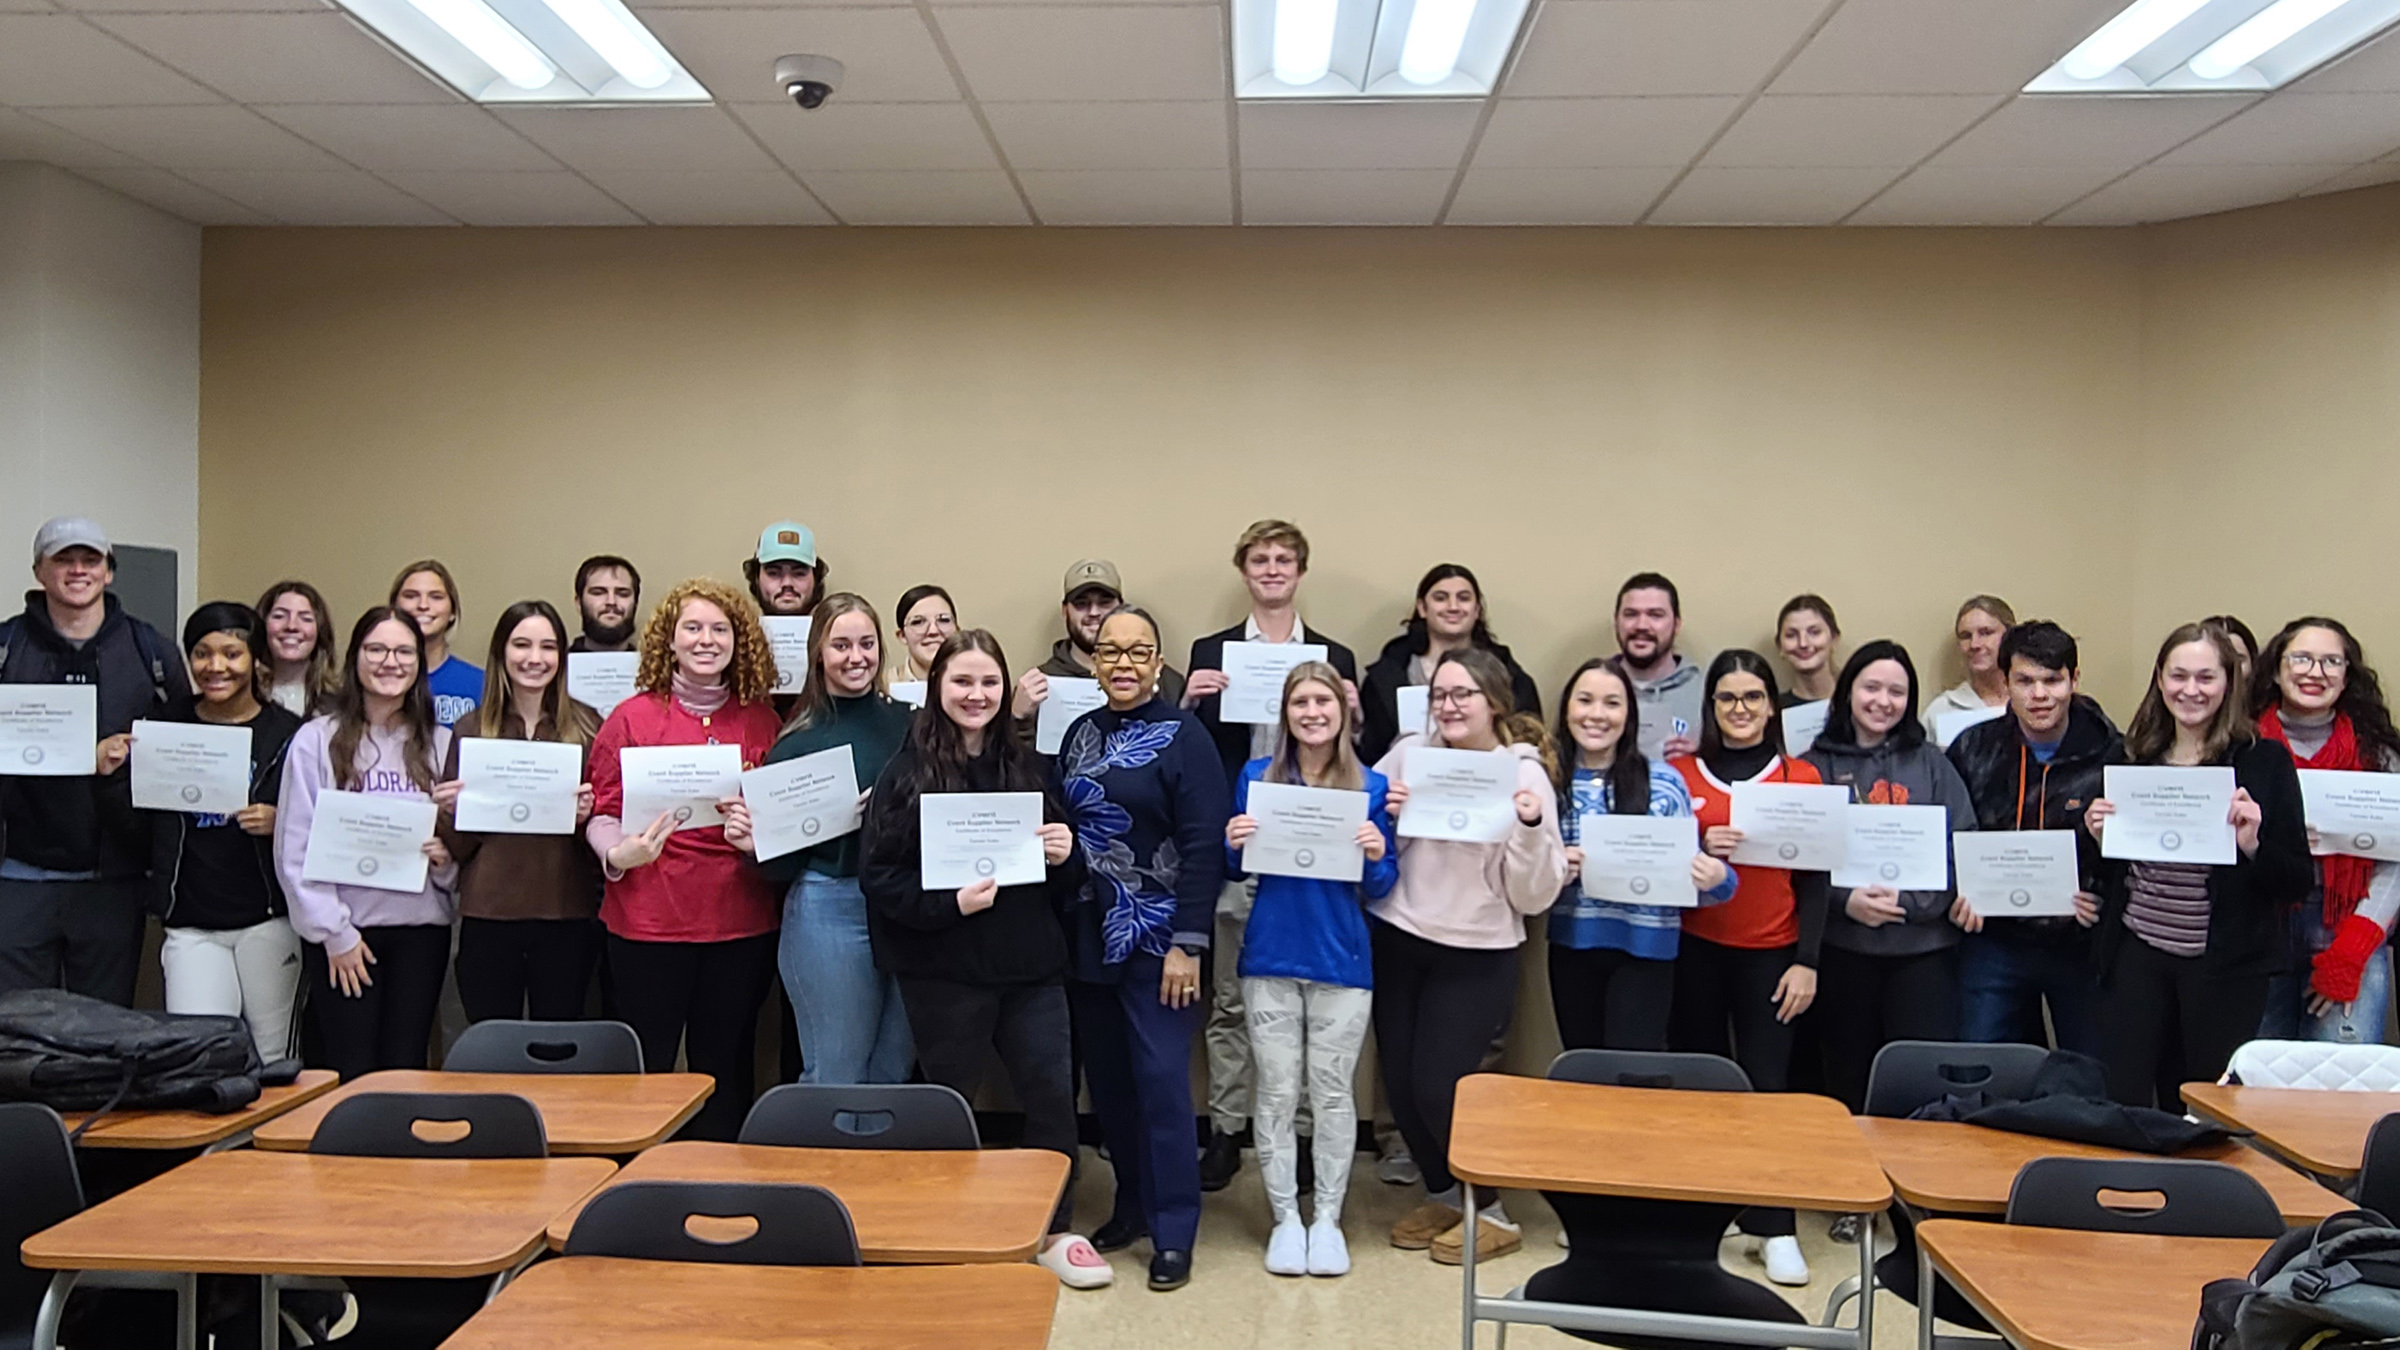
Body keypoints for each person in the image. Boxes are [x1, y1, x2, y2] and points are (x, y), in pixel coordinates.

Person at [857, 629, 1108, 1289]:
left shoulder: (1029, 767)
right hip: (944, 973)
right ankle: (949, 1227)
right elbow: (879, 880)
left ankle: (1052, 1228)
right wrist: (949, 906)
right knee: (949, 1107)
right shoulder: (905, 772)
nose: (976, 694)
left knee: (1052, 1100)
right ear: (938, 687)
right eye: (962, 681)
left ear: (1006, 690)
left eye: (989, 682)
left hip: (1031, 971)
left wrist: (1065, 854)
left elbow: (1066, 877)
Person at [1371, 648, 1565, 1267]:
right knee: (1400, 1087)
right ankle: (1445, 1196)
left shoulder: (1523, 775)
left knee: (1439, 1087)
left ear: (1494, 704)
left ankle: (1494, 1211)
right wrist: (1386, 812)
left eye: (1463, 695)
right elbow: (1362, 821)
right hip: (1399, 935)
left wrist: (1529, 828)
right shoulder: (1409, 754)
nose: (1449, 707)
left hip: (1477, 948)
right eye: (1440, 695)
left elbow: (1535, 895)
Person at [1182, 520, 1359, 1192]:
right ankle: (1227, 1130)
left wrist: (1353, 710)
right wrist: (1191, 702)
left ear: (1301, 572)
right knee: (1230, 1000)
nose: (1273, 569)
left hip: (1316, 856)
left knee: (1311, 1002)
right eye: (1261, 559)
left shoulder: (1333, 656)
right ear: (1244, 570)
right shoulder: (1213, 651)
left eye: (1285, 559)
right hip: (1244, 845)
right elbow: (1193, 756)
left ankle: (1308, 1138)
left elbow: (1354, 756)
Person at [1056, 606, 1227, 1292]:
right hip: (1089, 939)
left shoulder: (1186, 736)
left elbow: (1204, 844)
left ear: (1159, 664)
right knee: (1113, 1090)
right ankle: (1130, 1205)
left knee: (1161, 1088)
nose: (1123, 663)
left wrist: (1189, 944)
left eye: (1139, 652)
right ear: (1094, 662)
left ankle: (1175, 1228)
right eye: (1110, 652)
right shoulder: (1076, 733)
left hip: (1162, 946)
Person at [585, 578, 784, 1140]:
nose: (706, 640)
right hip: (648, 922)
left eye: (720, 629)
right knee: (645, 1066)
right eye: (692, 628)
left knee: (725, 1065)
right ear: (668, 641)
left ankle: (720, 1185)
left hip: (738, 923)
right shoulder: (630, 719)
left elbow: (780, 818)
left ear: (737, 642)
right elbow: (601, 812)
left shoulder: (761, 721)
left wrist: (757, 832)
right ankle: (632, 1191)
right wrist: (619, 854)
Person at [2086, 623, 2311, 1107]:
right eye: (2178, 675)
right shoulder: (2129, 756)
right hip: (2136, 954)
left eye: (2206, 677)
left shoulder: (2264, 761)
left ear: (2228, 683)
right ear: (2160, 680)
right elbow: (2103, 874)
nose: (2191, 690)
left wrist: (2253, 844)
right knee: (2123, 1097)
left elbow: (2296, 880)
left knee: (2205, 1106)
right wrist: (2097, 836)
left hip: (2224, 966)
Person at [1224, 661, 1398, 1277]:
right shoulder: (1254, 777)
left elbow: (1381, 884)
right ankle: (1285, 1221)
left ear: (1343, 711)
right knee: (1274, 1092)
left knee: (1331, 1094)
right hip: (1270, 956)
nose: (1313, 713)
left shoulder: (1371, 786)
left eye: (1323, 701)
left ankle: (1326, 1218)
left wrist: (1377, 853)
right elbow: (1237, 866)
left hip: (1343, 961)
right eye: (1301, 702)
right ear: (1286, 713)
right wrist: (1234, 839)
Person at [1667, 649, 1826, 1287]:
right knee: (1703, 1090)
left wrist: (1808, 962)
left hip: (1773, 955)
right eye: (1728, 698)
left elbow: (1815, 881)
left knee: (1767, 1092)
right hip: (1695, 951)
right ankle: (1707, 1215)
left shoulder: (1801, 778)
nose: (1740, 710)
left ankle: (1774, 1225)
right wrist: (1695, 848)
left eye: (1753, 698)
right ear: (1712, 706)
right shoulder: (1679, 774)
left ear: (1771, 705)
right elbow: (1652, 861)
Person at [0, 516, 188, 1003]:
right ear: (39, 571)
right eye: (63, 559)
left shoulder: (152, 652)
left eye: (91, 560)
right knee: (17, 1030)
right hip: (17, 873)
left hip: (115, 876)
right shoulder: (5, 647)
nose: (78, 570)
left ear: (109, 572)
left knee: (106, 1029)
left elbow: (185, 747)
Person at [275, 607, 455, 1080]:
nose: (389, 662)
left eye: (403, 651)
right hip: (346, 935)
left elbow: (463, 849)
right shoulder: (316, 741)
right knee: (349, 1070)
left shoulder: (441, 743)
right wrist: (335, 933)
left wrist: (445, 858)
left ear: (420, 663)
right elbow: (295, 850)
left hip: (421, 934)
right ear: (355, 658)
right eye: (376, 649)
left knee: (406, 1069)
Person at [1801, 641, 1977, 1113]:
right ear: (1847, 692)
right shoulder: (1812, 766)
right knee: (1845, 1082)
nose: (1883, 701)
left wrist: (1913, 901)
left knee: (1920, 1086)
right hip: (1842, 952)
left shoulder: (1933, 763)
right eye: (1871, 687)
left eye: (1897, 691)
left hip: (1924, 957)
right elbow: (1800, 857)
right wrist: (1845, 900)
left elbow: (1962, 845)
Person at [757, 593, 914, 1085]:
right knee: (838, 1070)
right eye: (841, 645)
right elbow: (776, 869)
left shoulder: (912, 724)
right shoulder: (796, 743)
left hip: (907, 908)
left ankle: (876, 1163)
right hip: (831, 906)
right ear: (818, 654)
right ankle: (828, 1162)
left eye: (867, 643)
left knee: (893, 1068)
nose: (856, 657)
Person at [1944, 621, 2116, 1055]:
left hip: (2080, 943)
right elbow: (1947, 837)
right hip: (1992, 940)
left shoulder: (2114, 754)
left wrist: (2102, 899)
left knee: (2088, 1069)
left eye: (2052, 680)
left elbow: (2134, 861)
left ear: (2074, 680)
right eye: (2025, 681)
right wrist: (1956, 896)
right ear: (2005, 683)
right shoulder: (1972, 748)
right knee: (1976, 1065)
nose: (2039, 695)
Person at [1547, 657, 1735, 1054]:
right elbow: (1524, 876)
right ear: (1566, 710)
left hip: (1646, 951)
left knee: (1631, 1078)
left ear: (1629, 715)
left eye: (1612, 703)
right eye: (1585, 701)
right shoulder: (1548, 781)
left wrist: (1717, 877)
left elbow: (1702, 884)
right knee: (1581, 1074)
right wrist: (1554, 869)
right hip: (1572, 948)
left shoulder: (1664, 781)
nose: (1597, 714)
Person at [430, 600, 602, 1023]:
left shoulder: (586, 727)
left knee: (558, 1044)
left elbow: (600, 840)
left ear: (561, 657)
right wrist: (451, 812)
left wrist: (585, 820)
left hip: (566, 911)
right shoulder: (472, 729)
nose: (534, 658)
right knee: (490, 1045)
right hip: (489, 912)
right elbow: (459, 847)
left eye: (547, 647)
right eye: (521, 645)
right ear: (501, 653)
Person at [147, 602, 305, 1060]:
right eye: (201, 653)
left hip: (268, 920)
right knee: (199, 1054)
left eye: (231, 654)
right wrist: (116, 772)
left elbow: (318, 821)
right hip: (190, 922)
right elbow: (132, 822)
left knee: (276, 1057)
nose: (215, 667)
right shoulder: (163, 726)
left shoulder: (290, 734)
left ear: (255, 660)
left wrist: (282, 821)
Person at [2253, 617, 2400, 1045]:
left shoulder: (2380, 755)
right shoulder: (2241, 746)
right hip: (2262, 932)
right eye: (2301, 658)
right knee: (2256, 1091)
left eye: (2330, 661)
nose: (2315, 672)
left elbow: (2395, 859)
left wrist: (2352, 951)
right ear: (2277, 668)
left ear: (2347, 675)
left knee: (2340, 1091)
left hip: (2349, 928)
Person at [1359, 563, 1542, 764]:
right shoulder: (1387, 675)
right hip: (1406, 782)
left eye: (1463, 598)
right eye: (1440, 598)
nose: (1453, 607)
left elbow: (1530, 738)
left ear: (1477, 610)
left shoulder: (1510, 677)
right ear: (1422, 608)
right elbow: (1371, 752)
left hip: (1487, 780)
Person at [1010, 559, 1185, 744]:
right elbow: (1017, 764)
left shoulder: (1164, 680)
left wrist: (1188, 704)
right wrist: (1016, 718)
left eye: (1105, 602)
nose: (1094, 612)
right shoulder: (1038, 685)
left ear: (1121, 607)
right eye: (1081, 603)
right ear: (1065, 611)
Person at [1614, 572, 1703, 760]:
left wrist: (1701, 759)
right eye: (1631, 614)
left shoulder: (1705, 692)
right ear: (1616, 621)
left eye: (1655, 615)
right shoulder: (1590, 689)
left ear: (1676, 625)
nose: (1641, 625)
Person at [389, 560, 479, 728]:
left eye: (436, 597)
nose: (423, 605)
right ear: (394, 607)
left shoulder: (480, 683)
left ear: (452, 611)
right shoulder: (378, 679)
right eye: (411, 596)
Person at [1921, 595, 2016, 741]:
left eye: (1986, 633)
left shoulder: (2033, 702)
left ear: (2010, 635)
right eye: (1966, 636)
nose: (1974, 644)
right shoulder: (1942, 710)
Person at [256, 580, 339, 716]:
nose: (291, 626)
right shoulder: (243, 701)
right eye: (279, 616)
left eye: (305, 618)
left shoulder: (339, 707)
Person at [744, 520, 824, 619]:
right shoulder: (734, 633)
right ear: (756, 578)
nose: (787, 583)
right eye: (773, 573)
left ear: (816, 579)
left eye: (799, 574)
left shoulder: (836, 633)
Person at [1775, 594, 1840, 708]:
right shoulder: (1772, 712)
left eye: (1814, 632)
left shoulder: (1857, 702)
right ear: (1780, 645)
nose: (1803, 643)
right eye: (1791, 635)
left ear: (1834, 639)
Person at [570, 555, 642, 654]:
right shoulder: (558, 667)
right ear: (579, 603)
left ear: (636, 603)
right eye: (598, 593)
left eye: (622, 594)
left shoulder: (653, 668)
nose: (611, 602)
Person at [892, 585, 957, 684]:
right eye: (918, 622)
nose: (933, 631)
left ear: (957, 630)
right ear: (902, 636)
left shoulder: (979, 683)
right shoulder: (883, 686)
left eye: (943, 620)